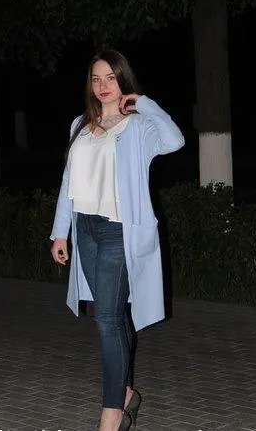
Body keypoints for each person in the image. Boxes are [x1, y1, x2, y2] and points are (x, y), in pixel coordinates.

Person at [50, 49, 185, 431]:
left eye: (110, 77)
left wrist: (144, 103)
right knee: (114, 314)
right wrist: (60, 232)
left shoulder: (138, 127)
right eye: (96, 79)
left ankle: (111, 414)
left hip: (118, 231)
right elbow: (68, 182)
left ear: (123, 80)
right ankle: (125, 394)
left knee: (107, 320)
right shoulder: (80, 124)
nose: (103, 85)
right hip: (86, 229)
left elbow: (174, 140)